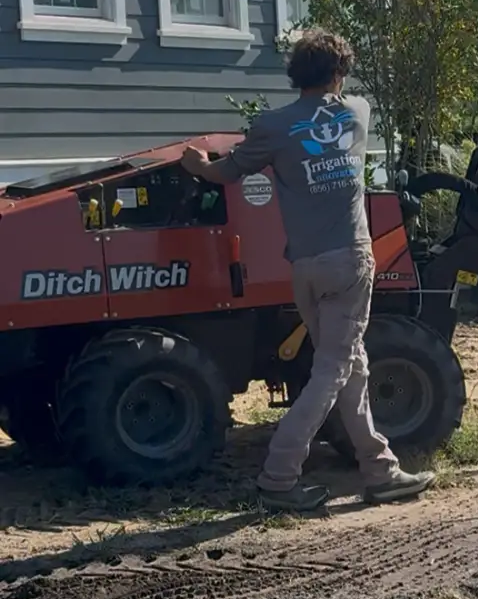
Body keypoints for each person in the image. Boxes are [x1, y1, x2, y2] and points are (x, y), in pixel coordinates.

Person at [181, 28, 431, 513]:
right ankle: (278, 476)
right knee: (334, 369)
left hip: (306, 269)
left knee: (349, 365)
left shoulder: (272, 127)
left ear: (297, 73)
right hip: (350, 262)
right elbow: (338, 107)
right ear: (338, 73)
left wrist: (198, 164)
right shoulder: (358, 113)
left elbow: (226, 173)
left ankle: (381, 470)